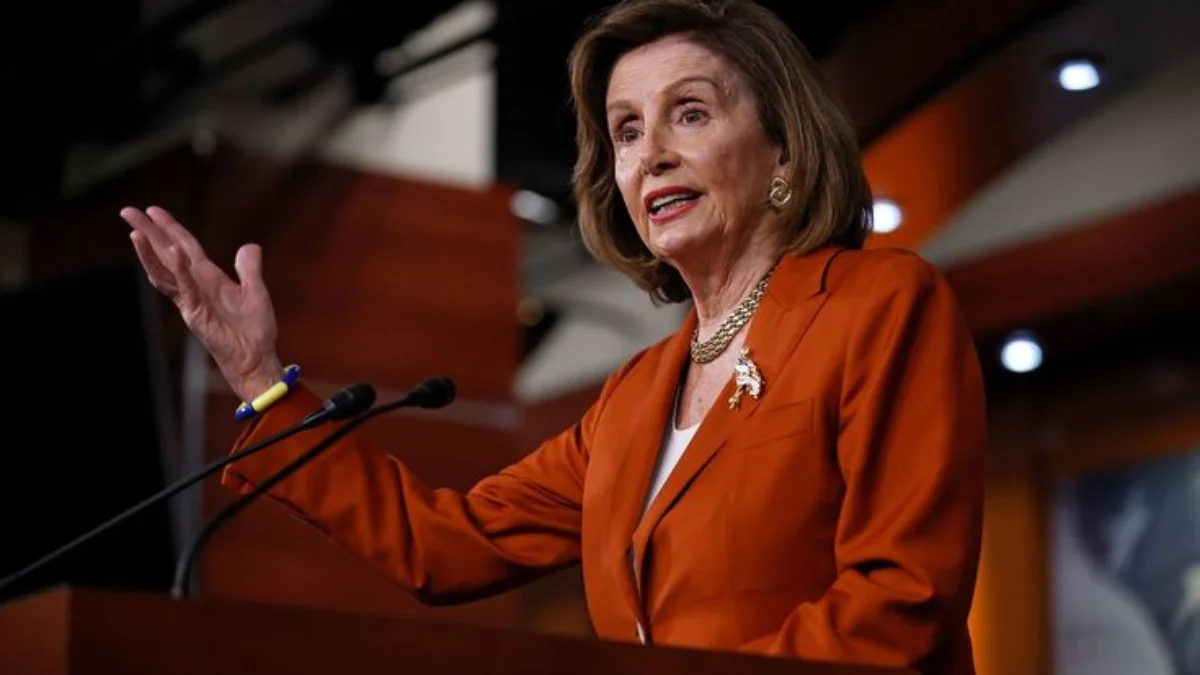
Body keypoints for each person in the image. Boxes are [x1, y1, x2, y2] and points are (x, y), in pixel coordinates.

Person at [120, 0, 986, 672]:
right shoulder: (634, 398)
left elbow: (899, 601)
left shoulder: (878, 305)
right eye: (628, 130)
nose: (651, 156)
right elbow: (442, 544)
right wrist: (259, 378)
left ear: (784, 152)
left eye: (689, 114)